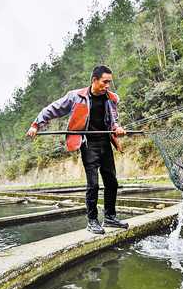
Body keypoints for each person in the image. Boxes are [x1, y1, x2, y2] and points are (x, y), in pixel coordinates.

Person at [26, 65, 129, 234]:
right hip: (88, 144)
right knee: (93, 184)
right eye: (105, 82)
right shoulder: (76, 96)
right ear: (94, 80)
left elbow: (113, 120)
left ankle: (110, 217)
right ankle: (92, 221)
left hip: (105, 142)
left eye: (110, 82)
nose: (108, 85)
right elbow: (52, 109)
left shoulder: (111, 98)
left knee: (112, 182)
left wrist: (117, 127)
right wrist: (36, 125)